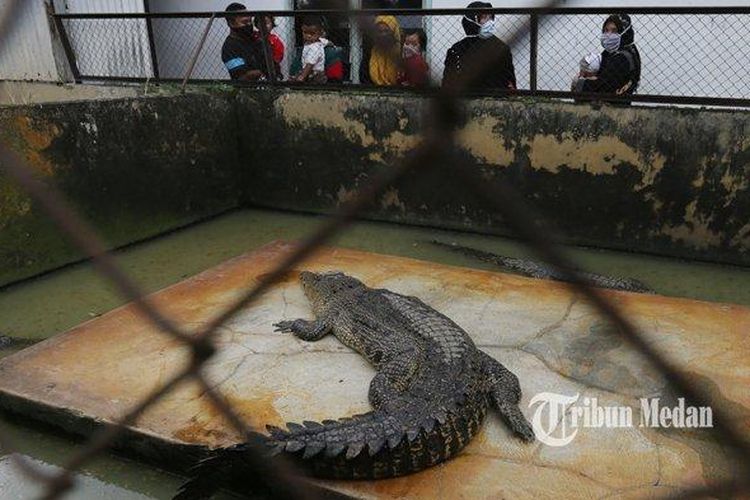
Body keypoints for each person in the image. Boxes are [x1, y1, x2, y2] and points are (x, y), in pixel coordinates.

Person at [443, 1, 516, 91]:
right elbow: (447, 83)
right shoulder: (457, 50)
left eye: (491, 18)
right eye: (484, 18)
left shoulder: (501, 48)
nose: (489, 22)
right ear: (472, 20)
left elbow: (510, 83)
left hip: (497, 98)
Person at [580, 13, 641, 95]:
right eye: (606, 30)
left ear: (624, 33)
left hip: (614, 103)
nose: (609, 35)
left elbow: (603, 87)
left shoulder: (622, 58)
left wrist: (579, 83)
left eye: (614, 31)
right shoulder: (627, 49)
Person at [221, 3, 267, 81]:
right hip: (246, 89)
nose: (249, 25)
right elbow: (242, 76)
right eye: (245, 22)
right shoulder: (229, 48)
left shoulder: (255, 40)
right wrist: (265, 71)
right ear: (231, 23)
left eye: (250, 21)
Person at [293, 17, 330, 83]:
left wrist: (302, 77)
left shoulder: (315, 48)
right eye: (305, 32)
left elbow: (310, 64)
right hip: (309, 71)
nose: (308, 36)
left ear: (320, 33)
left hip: (315, 74)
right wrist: (331, 44)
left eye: (312, 33)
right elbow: (327, 42)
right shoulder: (320, 41)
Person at [369, 15, 402, 86]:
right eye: (380, 31)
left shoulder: (402, 52)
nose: (383, 35)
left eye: (386, 31)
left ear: (393, 31)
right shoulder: (371, 52)